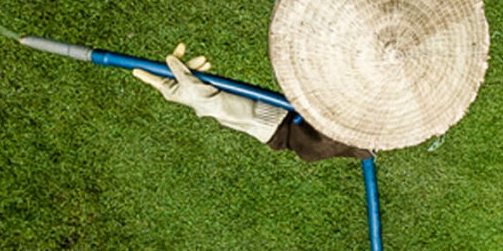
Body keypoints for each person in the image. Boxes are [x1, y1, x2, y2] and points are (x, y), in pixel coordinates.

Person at [137, 43, 370, 162]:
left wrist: (207, 101)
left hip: (279, 125)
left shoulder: (339, 137)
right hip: (281, 122)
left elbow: (312, 145)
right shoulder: (352, 126)